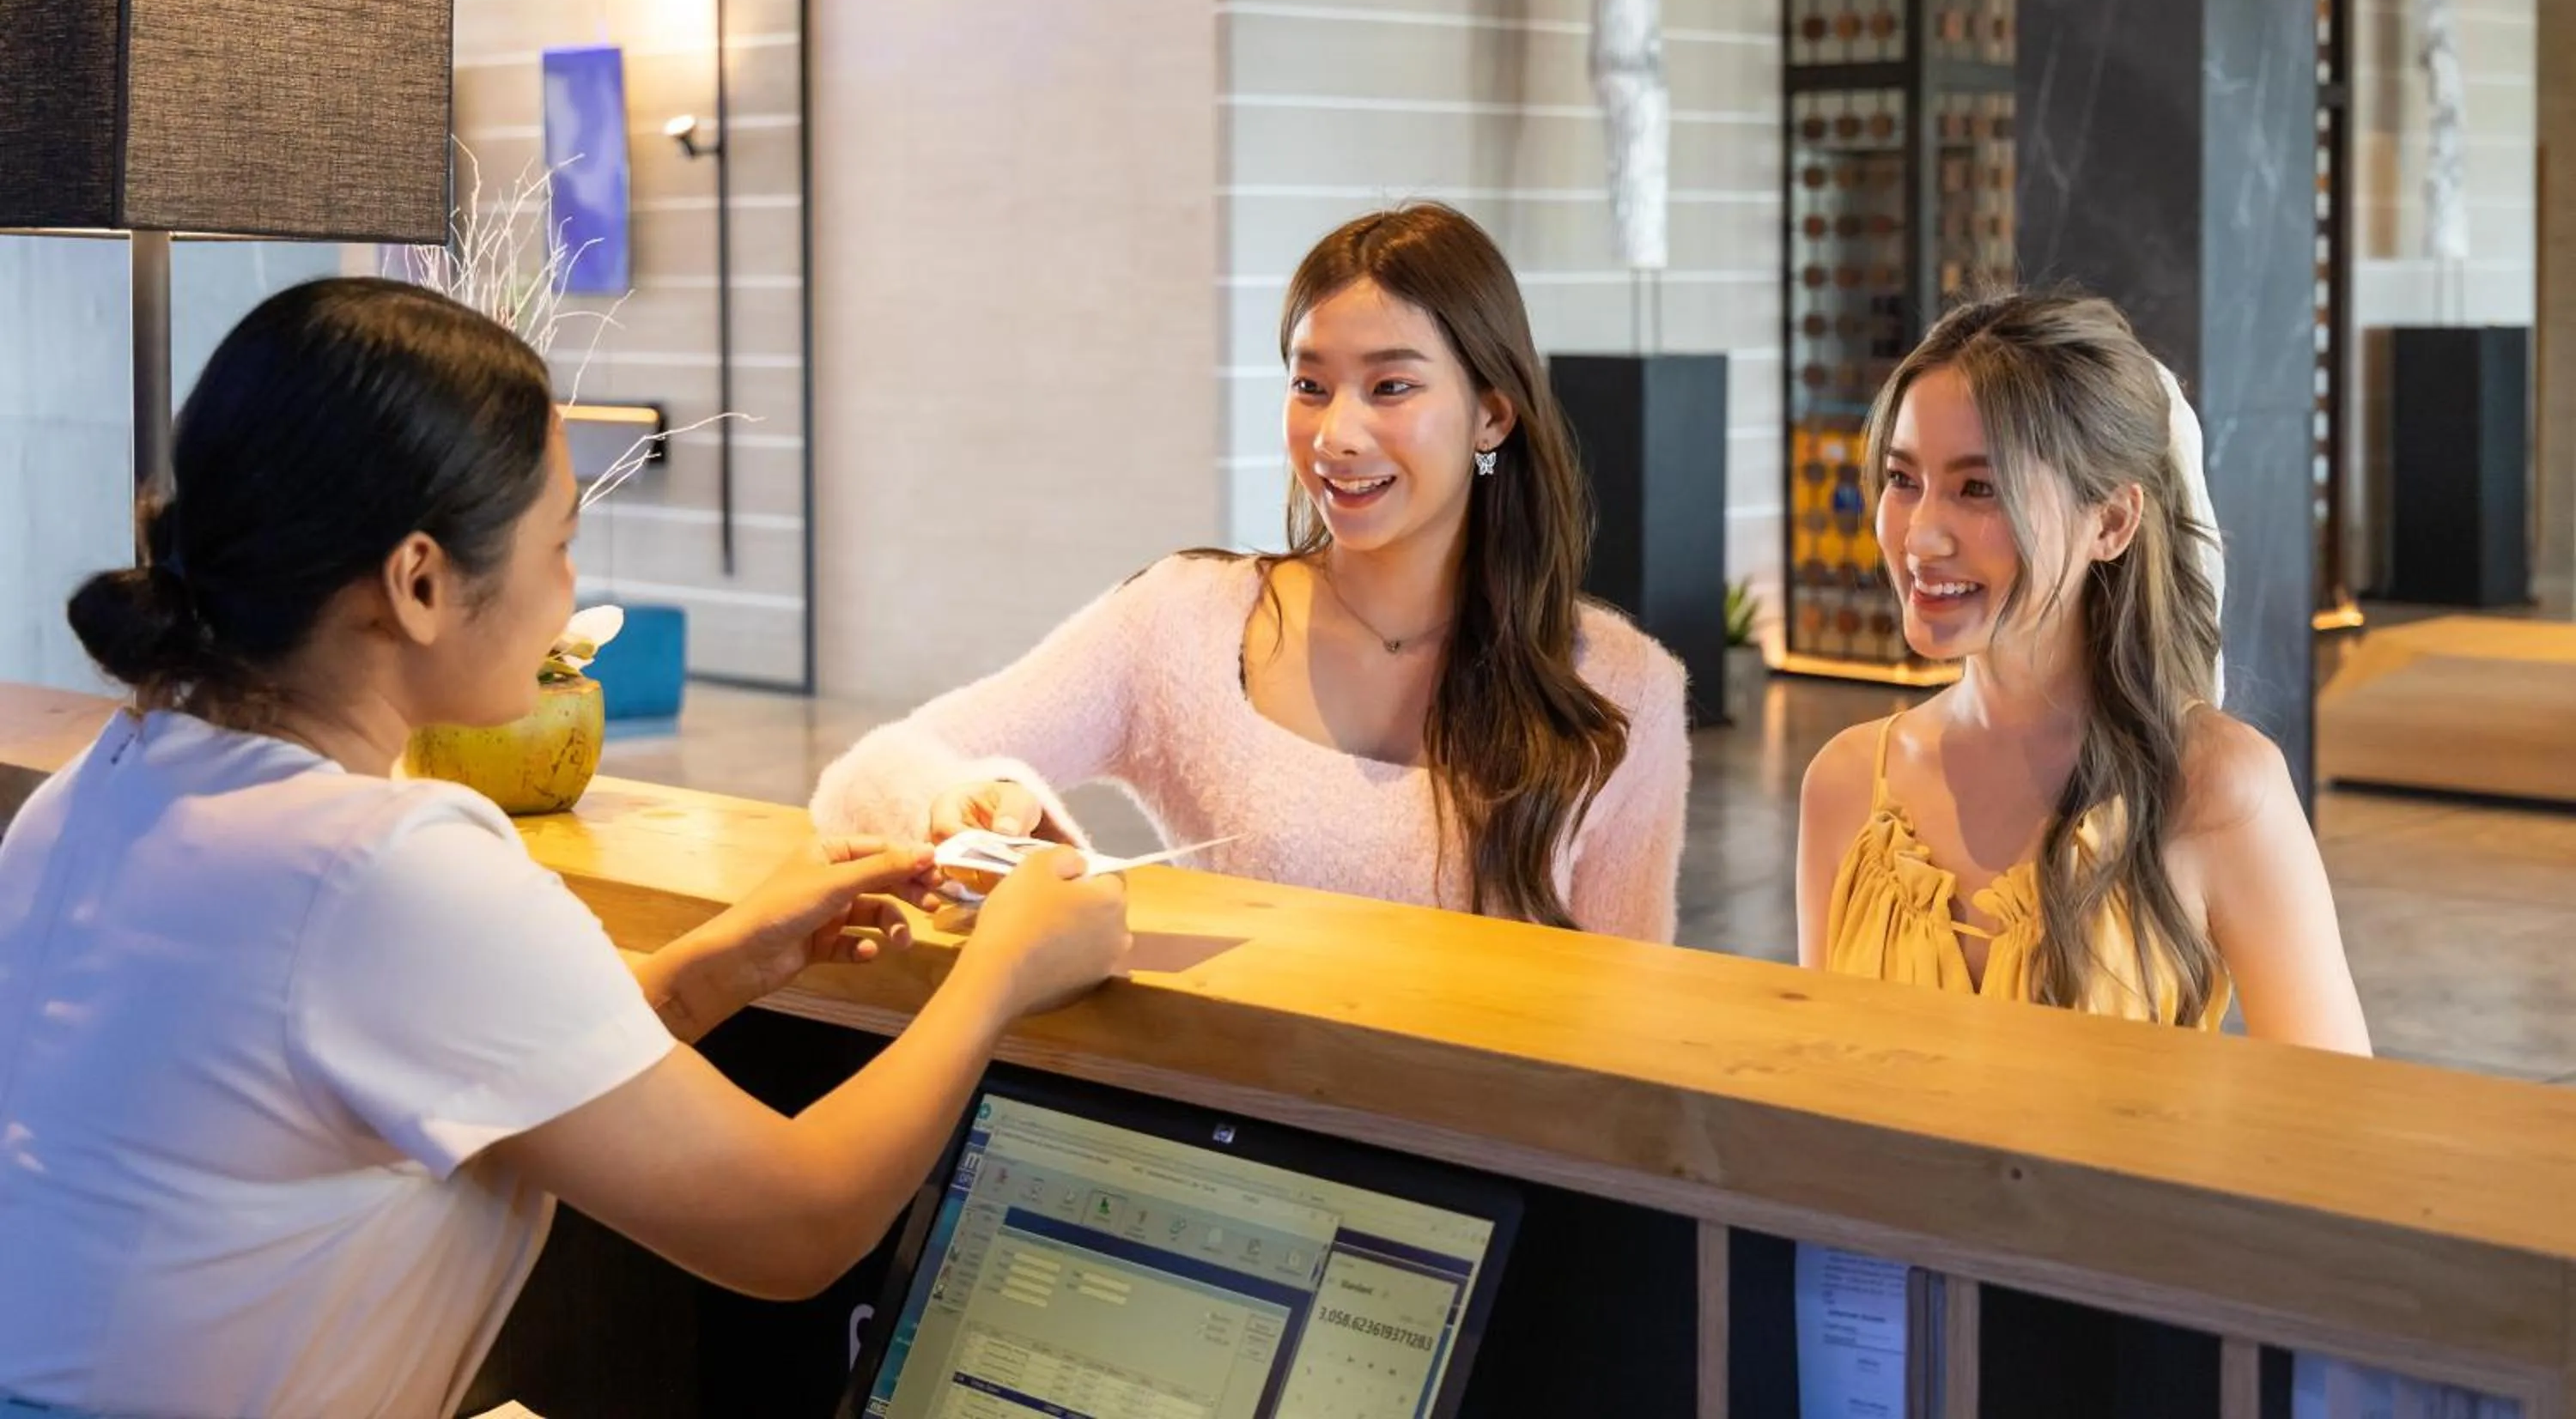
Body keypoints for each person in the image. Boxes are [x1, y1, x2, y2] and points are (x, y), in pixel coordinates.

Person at [0, 280, 1129, 1419]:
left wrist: (723, 962)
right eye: (561, 542)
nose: (571, 592)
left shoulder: (103, 789)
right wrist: (1004, 973)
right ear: (422, 582)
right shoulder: (384, 869)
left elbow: (455, 1065)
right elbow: (794, 1226)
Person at [814, 203, 1691, 940]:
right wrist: (971, 801)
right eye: (1311, 386)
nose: (1338, 434)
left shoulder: (1625, 689)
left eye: (1390, 388)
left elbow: (1629, 1023)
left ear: (1491, 416)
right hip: (1221, 1126)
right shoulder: (1185, 621)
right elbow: (870, 775)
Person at [1794, 290, 2369, 1051]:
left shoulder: (2217, 791)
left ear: (2112, 522)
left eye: (1979, 488)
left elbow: (2330, 1122)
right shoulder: (1845, 787)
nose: (1922, 536)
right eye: (1904, 479)